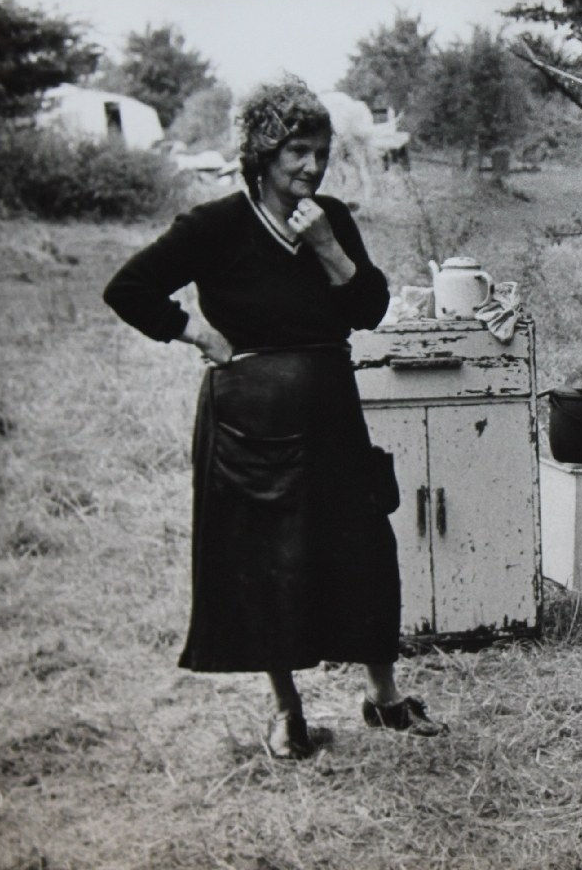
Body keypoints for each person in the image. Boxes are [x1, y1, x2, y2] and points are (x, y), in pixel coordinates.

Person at [103, 76, 442, 760]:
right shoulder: (215, 225)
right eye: (297, 153)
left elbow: (369, 309)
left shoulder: (332, 218)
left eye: (320, 152)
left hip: (331, 411)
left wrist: (327, 247)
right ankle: (288, 711)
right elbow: (128, 287)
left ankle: (384, 697)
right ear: (261, 154)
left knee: (364, 550)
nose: (312, 167)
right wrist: (195, 333)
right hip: (248, 424)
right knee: (266, 565)